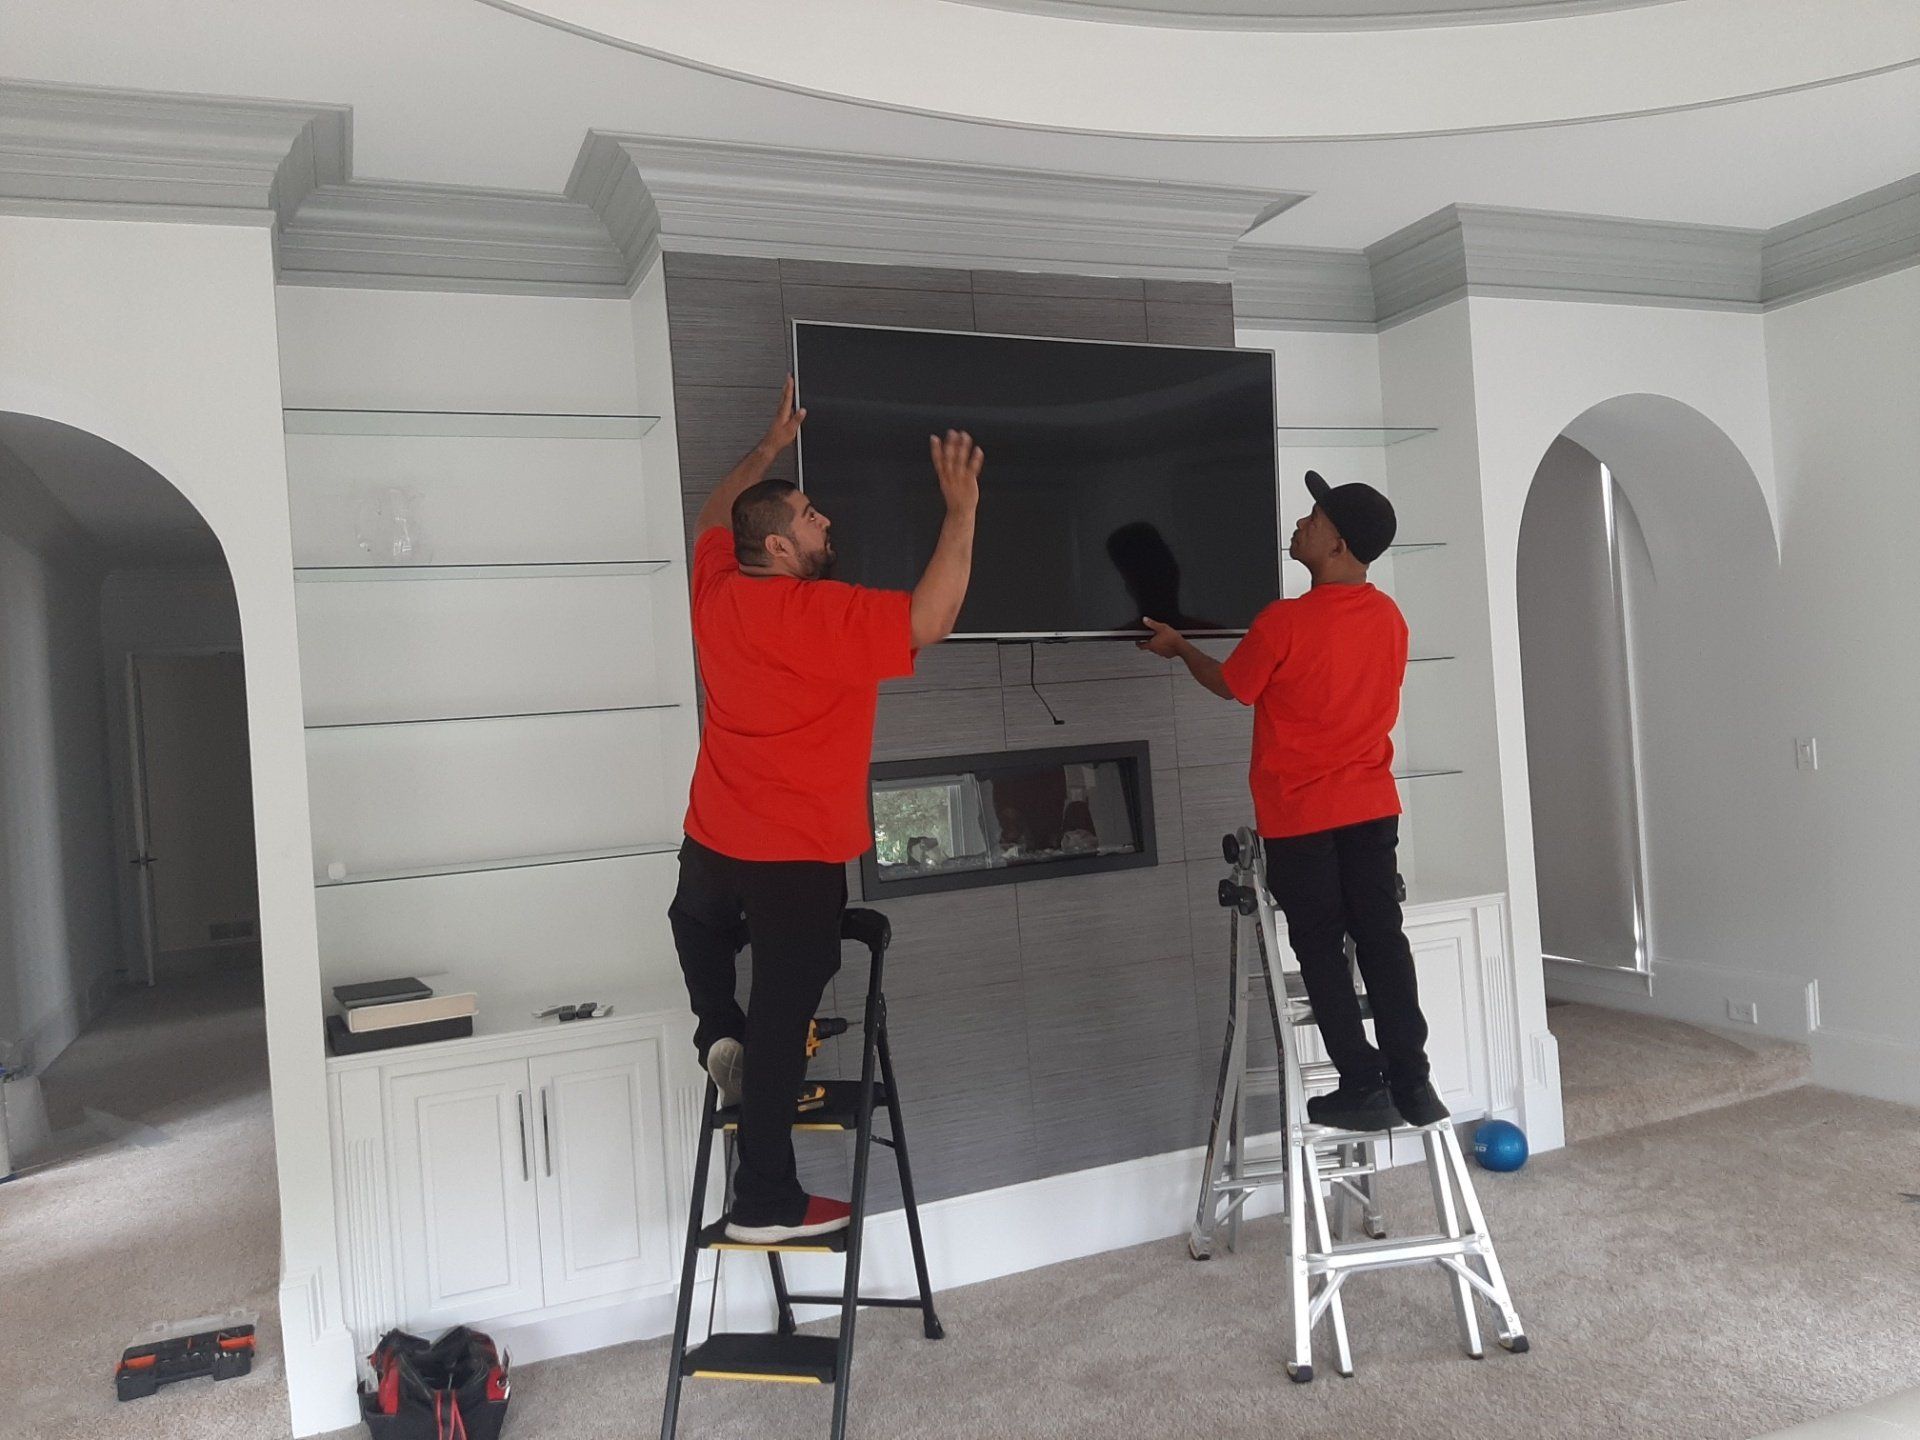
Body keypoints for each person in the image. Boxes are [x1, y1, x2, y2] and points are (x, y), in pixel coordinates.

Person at [668, 377, 985, 1243]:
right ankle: (764, 1202)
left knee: (695, 924)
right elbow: (935, 614)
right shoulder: (821, 615)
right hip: (796, 853)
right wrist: (961, 508)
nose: (826, 523)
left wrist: (768, 451)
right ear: (776, 546)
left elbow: (713, 512)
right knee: (784, 1019)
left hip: (717, 837)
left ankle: (715, 1036)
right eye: (809, 518)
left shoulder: (717, 591)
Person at [1138, 471, 1447, 1133]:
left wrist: (1178, 648)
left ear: (1337, 545)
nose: (1300, 524)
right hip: (1371, 807)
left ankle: (1363, 1083)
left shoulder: (1283, 622)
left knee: (1320, 947)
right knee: (1382, 941)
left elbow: (1232, 686)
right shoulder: (1390, 618)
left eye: (1313, 518)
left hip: (1302, 818)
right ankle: (1414, 1084)